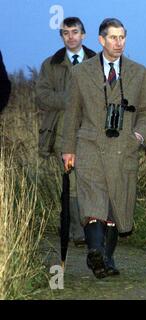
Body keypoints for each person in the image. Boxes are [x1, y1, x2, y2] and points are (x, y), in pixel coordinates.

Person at [61, 18, 146, 279]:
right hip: (89, 145)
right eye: (113, 37)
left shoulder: (138, 72)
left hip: (124, 148)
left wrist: (140, 135)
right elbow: (72, 114)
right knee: (93, 202)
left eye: (122, 37)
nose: (118, 42)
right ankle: (95, 250)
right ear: (101, 41)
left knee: (115, 205)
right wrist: (68, 149)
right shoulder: (82, 73)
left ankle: (106, 257)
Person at [35, 17, 96, 247]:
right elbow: (42, 96)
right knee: (69, 181)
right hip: (61, 130)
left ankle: (86, 227)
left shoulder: (97, 61)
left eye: (75, 32)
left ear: (84, 35)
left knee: (88, 182)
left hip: (91, 130)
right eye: (66, 33)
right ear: (61, 36)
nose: (71, 36)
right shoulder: (50, 64)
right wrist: (70, 100)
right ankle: (77, 231)